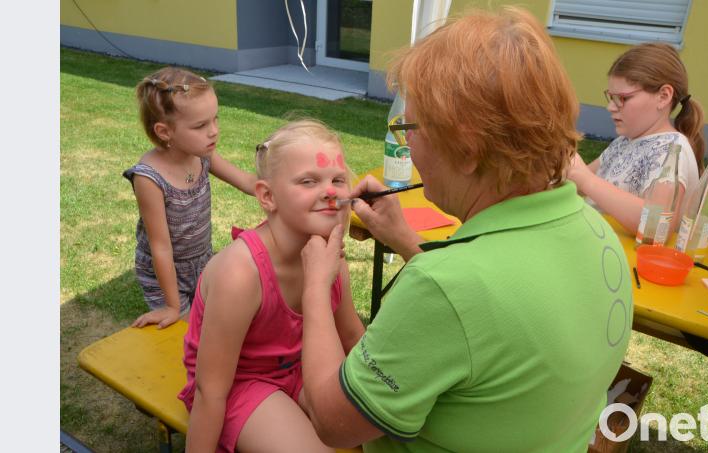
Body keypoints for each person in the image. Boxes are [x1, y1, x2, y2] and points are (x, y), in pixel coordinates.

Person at [297, 8, 632, 452]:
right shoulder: (594, 229)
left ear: (469, 148)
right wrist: (405, 241)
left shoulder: (446, 288)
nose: (406, 142)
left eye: (411, 127)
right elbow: (493, 320)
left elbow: (333, 422)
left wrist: (316, 289)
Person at [178, 119, 366, 453]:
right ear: (267, 196)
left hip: (302, 369)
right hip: (241, 383)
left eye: (338, 179)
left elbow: (352, 337)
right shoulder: (241, 273)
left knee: (386, 425)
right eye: (308, 181)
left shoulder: (330, 259)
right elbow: (212, 390)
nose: (330, 191)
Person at [123, 67, 256, 329]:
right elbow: (160, 247)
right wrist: (172, 306)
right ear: (164, 132)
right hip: (165, 274)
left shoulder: (202, 156)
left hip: (202, 261)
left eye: (215, 119)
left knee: (215, 325)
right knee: (187, 336)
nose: (214, 131)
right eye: (201, 125)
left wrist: (283, 189)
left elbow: (248, 183)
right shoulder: (149, 178)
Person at [566, 42, 706, 234]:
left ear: (663, 96)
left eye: (623, 98)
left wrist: (585, 179)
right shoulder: (624, 143)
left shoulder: (673, 150)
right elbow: (574, 184)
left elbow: (656, 226)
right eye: (611, 97)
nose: (611, 107)